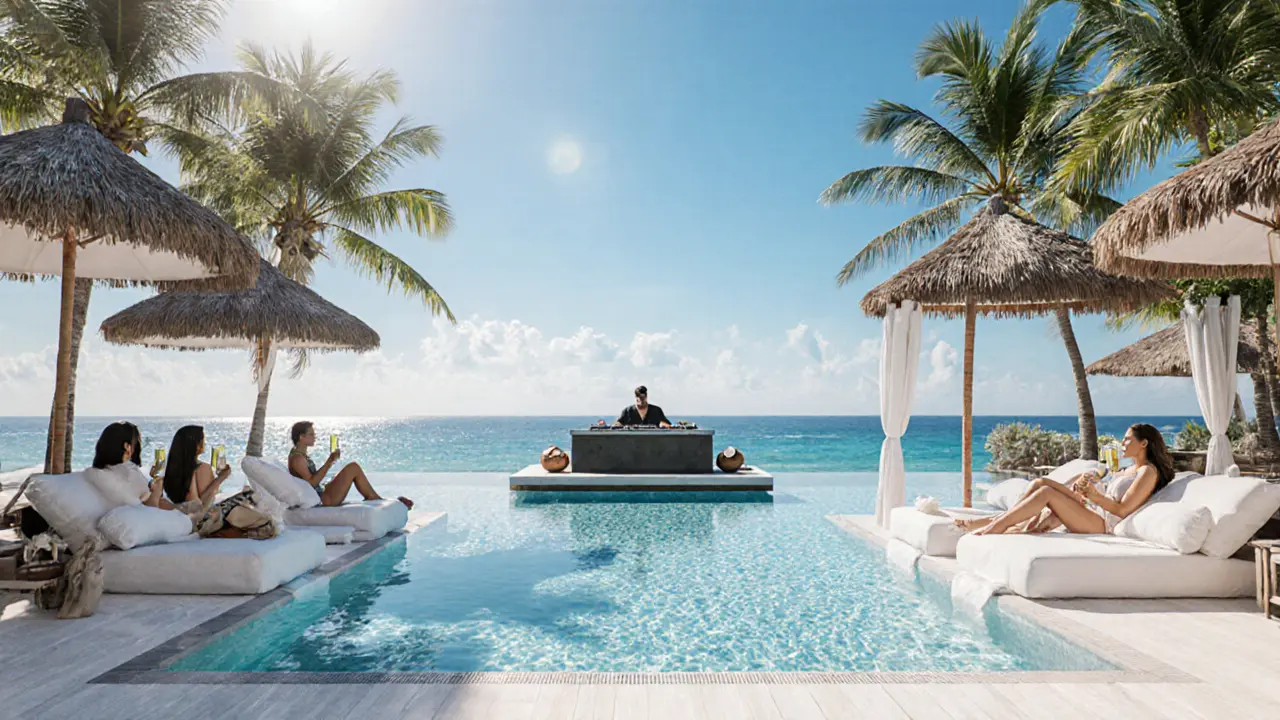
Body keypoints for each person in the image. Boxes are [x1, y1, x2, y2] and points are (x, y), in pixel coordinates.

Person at [957, 423, 1175, 536]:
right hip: (1093, 509)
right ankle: (1001, 522)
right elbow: (1106, 493)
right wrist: (1086, 486)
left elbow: (1122, 510)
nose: (1123, 443)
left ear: (1144, 443)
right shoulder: (1128, 469)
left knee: (1046, 494)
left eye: (1127, 439)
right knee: (1039, 483)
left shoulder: (1147, 472)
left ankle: (995, 527)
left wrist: (1094, 495)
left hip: (1104, 523)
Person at [287, 421, 413, 509]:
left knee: (348, 471)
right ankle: (376, 499)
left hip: (322, 493)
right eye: (311, 434)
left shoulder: (301, 456)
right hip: (323, 499)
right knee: (353, 468)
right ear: (301, 437)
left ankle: (375, 498)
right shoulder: (298, 459)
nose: (315, 437)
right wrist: (329, 462)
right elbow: (311, 484)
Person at [89, 421, 170, 509]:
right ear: (127, 447)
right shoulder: (130, 474)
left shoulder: (93, 475)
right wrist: (158, 484)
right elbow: (151, 509)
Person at [161, 425, 232, 508]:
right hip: (201, 517)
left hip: (180, 512)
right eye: (203, 439)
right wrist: (221, 478)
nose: (205, 443)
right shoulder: (202, 468)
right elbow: (201, 504)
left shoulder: (172, 468)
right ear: (196, 444)